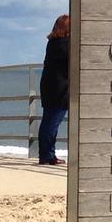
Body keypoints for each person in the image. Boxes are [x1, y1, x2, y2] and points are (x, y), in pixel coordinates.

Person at [38, 14, 70, 165]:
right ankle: (47, 156)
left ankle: (47, 154)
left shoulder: (53, 43)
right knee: (52, 123)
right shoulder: (65, 44)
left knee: (48, 122)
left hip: (49, 86)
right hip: (60, 88)